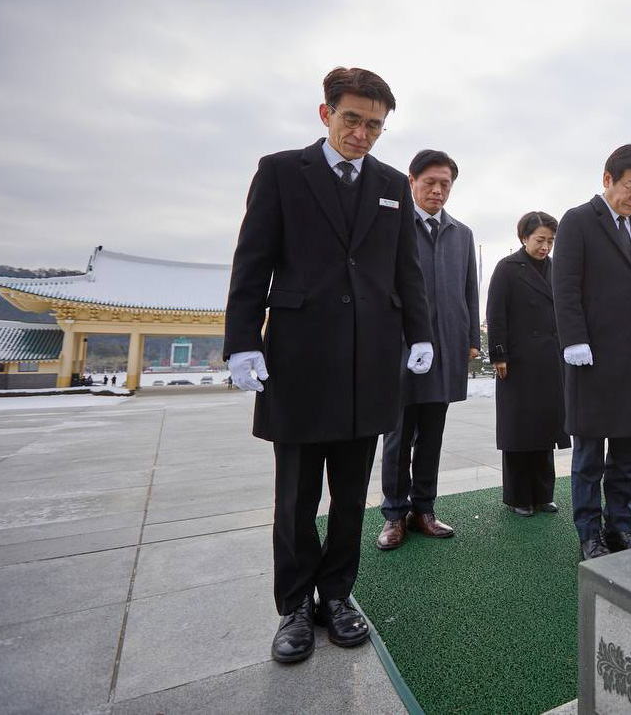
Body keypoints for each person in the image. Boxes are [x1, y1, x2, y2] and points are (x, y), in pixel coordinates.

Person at [224, 67, 434, 664]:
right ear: (326, 114)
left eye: (375, 125)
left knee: (349, 494)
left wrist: (420, 333)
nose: (362, 134)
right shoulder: (281, 172)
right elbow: (252, 260)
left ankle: (337, 595)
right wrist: (242, 340)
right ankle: (294, 605)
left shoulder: (391, 185)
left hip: (369, 360)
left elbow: (406, 269)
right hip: (298, 358)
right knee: (295, 496)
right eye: (352, 119)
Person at [554, 144, 631, 560]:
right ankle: (589, 534)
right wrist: (574, 339)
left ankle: (620, 527)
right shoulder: (578, 221)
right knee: (589, 455)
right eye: (630, 187)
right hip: (593, 358)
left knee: (625, 455)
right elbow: (565, 286)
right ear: (608, 179)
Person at [376, 150, 480, 550]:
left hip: (447, 346)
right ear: (412, 182)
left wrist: (471, 339)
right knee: (398, 435)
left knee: (432, 434)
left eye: (445, 184)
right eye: (430, 182)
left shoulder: (461, 233)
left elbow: (470, 290)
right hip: (402, 347)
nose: (437, 190)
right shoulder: (393, 226)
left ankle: (424, 510)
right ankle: (394, 513)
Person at [486, 211, 571, 516]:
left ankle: (543, 494)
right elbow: (496, 313)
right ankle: (518, 497)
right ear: (524, 237)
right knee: (519, 430)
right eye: (539, 240)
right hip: (518, 362)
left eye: (550, 240)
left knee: (546, 427)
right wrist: (499, 354)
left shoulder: (557, 268)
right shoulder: (507, 268)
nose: (545, 246)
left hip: (551, 359)